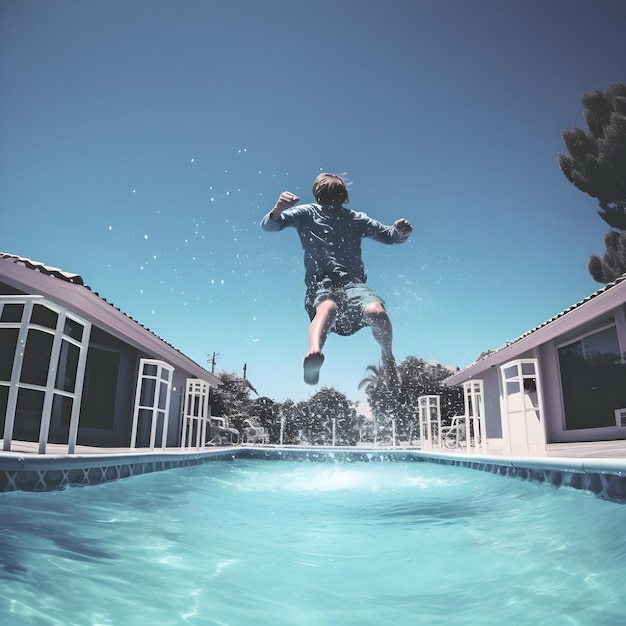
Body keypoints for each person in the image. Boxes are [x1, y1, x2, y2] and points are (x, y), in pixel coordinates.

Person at [260, 172, 413, 385]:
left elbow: (388, 236)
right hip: (321, 282)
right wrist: (278, 208)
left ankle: (387, 356)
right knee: (327, 308)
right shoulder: (307, 212)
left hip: (353, 284)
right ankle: (314, 353)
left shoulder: (355, 218)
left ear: (343, 194)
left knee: (377, 312)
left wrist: (400, 232)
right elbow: (270, 225)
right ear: (317, 192)